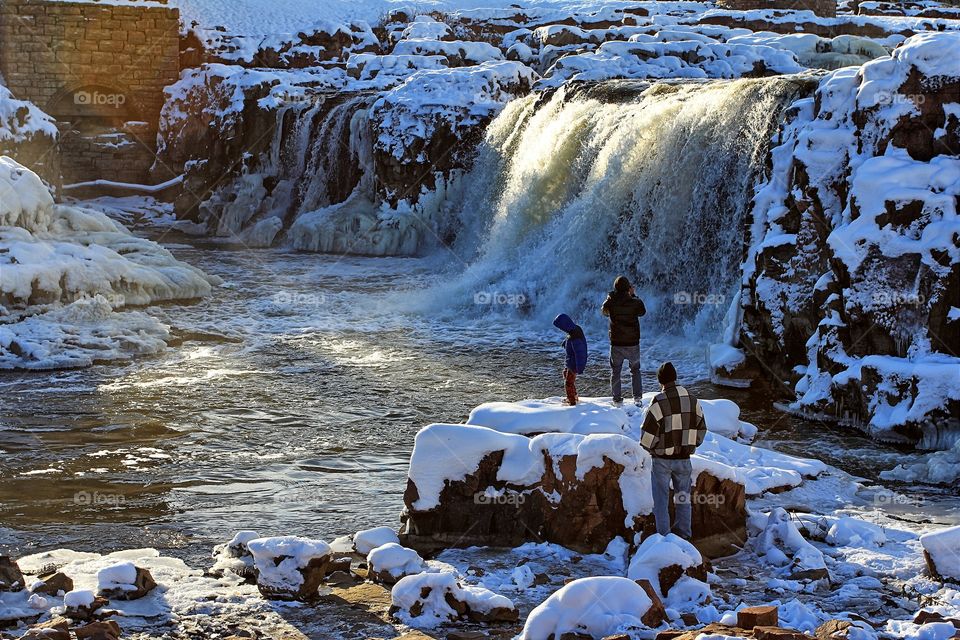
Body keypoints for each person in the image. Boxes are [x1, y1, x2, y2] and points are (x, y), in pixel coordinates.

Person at [639, 362, 707, 540]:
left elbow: (647, 436)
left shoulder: (658, 401)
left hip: (662, 460)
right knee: (683, 500)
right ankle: (684, 537)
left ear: (660, 381)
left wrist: (653, 449)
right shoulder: (692, 399)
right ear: (675, 378)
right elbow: (702, 428)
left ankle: (664, 539)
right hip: (684, 459)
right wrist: (692, 444)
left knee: (661, 501)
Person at [601, 276, 646, 405]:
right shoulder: (635, 302)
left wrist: (610, 296)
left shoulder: (611, 302)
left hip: (616, 343)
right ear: (628, 288)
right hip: (632, 343)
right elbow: (642, 312)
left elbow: (604, 311)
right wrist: (633, 295)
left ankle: (616, 399)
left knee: (615, 371)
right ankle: (637, 398)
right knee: (635, 370)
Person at [553, 314, 588, 406]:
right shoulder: (574, 330)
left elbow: (580, 354)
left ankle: (572, 401)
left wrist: (580, 367)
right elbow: (569, 337)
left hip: (574, 364)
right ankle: (574, 396)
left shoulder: (575, 338)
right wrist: (566, 342)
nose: (561, 329)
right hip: (570, 361)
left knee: (568, 383)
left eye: (561, 327)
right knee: (565, 374)